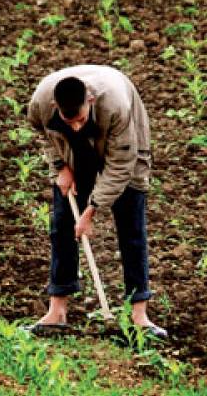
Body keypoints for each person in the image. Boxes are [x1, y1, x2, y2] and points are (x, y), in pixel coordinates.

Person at [25, 65, 165, 338]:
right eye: (69, 121)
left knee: (131, 227)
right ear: (55, 106)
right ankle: (57, 310)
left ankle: (139, 314)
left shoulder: (116, 106)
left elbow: (120, 166)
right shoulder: (41, 103)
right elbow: (42, 131)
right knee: (63, 224)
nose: (76, 126)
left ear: (89, 101)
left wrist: (92, 210)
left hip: (125, 150)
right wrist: (60, 167)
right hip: (71, 152)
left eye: (79, 119)